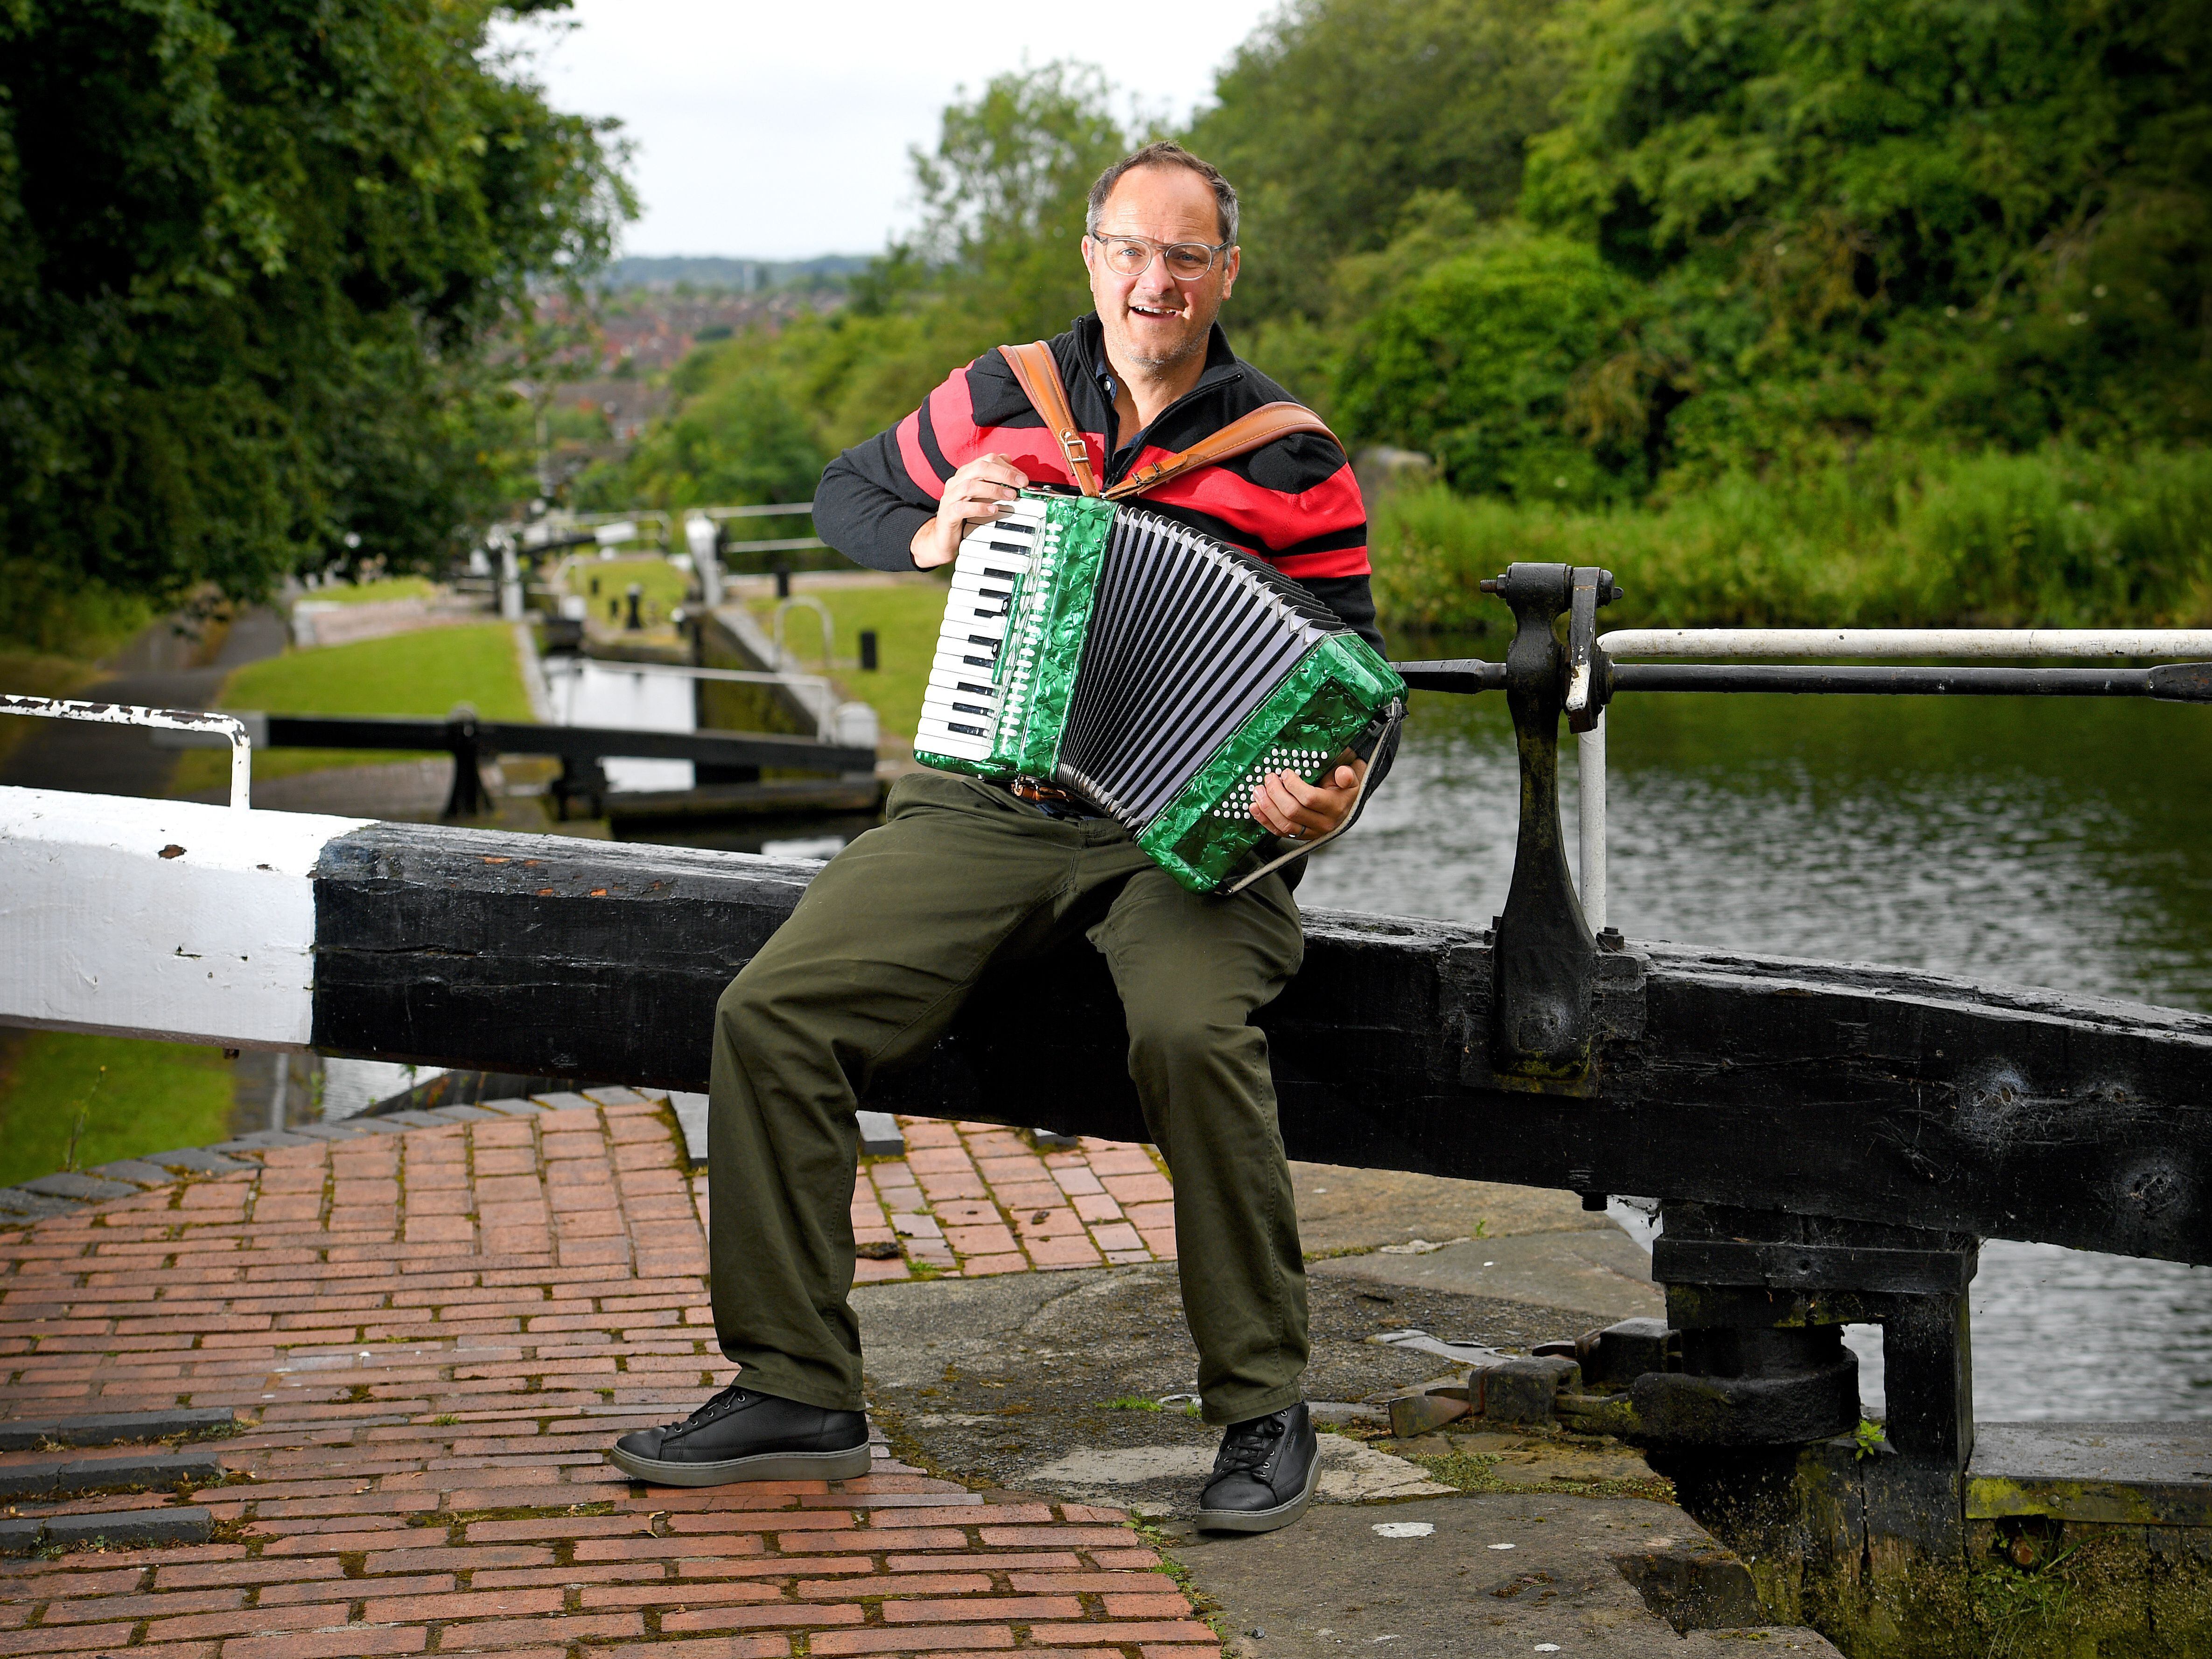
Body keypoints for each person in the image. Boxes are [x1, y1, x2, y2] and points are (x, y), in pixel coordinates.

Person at [609, 141, 1388, 1535]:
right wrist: (928, 536)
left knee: (1192, 1036)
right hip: (993, 795)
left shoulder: (1289, 454)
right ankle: (796, 1383)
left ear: (1224, 273)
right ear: (1091, 256)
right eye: (1130, 252)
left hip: (1182, 832)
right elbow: (849, 491)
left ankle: (1264, 1404)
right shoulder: (1001, 396)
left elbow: (1354, 687)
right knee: (773, 1012)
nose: (1155, 280)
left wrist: (1321, 789)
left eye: (1186, 256)